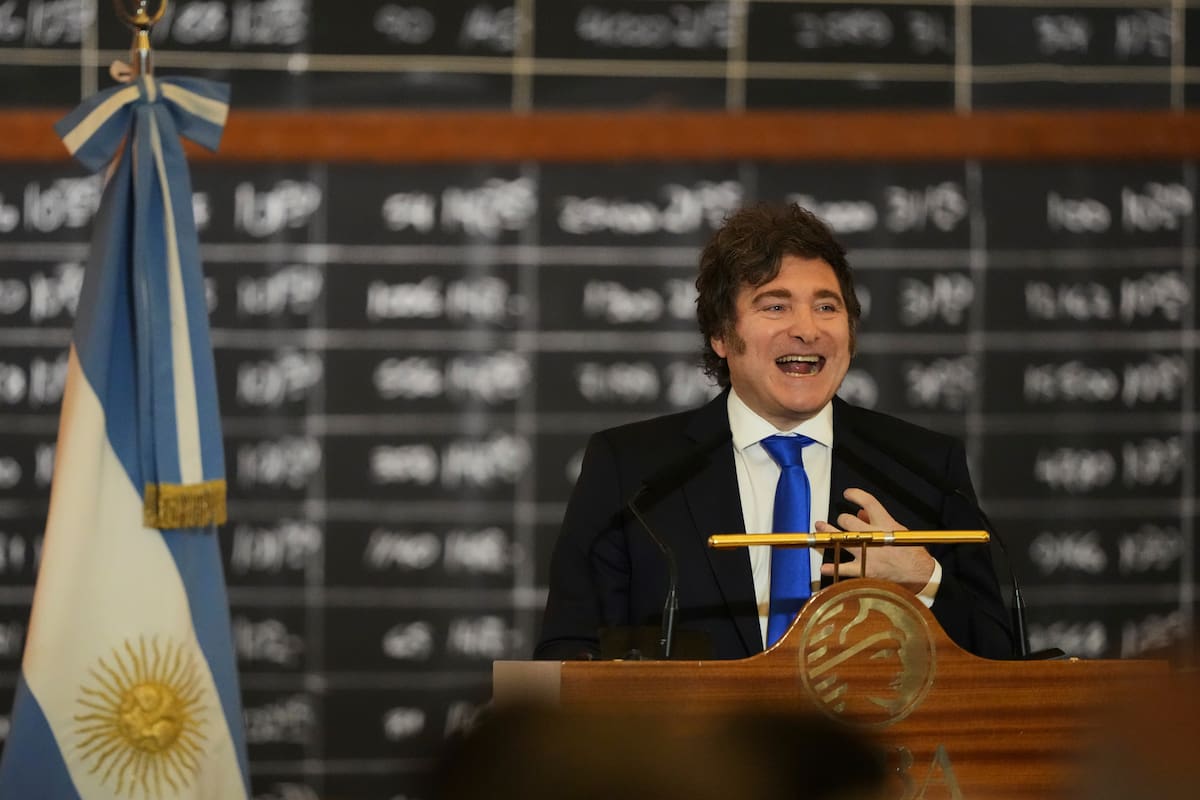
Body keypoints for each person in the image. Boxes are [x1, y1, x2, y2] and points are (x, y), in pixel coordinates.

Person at [535, 203, 1013, 661]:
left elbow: (1002, 656)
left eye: (827, 307)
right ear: (722, 335)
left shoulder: (923, 467)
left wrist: (924, 580)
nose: (807, 329)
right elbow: (570, 649)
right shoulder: (634, 471)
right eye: (775, 307)